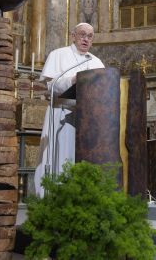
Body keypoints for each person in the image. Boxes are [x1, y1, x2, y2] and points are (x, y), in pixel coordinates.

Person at [34, 23, 105, 197]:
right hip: (62, 113)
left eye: (90, 36)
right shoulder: (58, 55)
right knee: (61, 157)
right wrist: (73, 80)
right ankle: (53, 196)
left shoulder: (95, 62)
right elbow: (51, 85)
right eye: (82, 34)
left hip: (87, 119)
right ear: (73, 36)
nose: (86, 39)